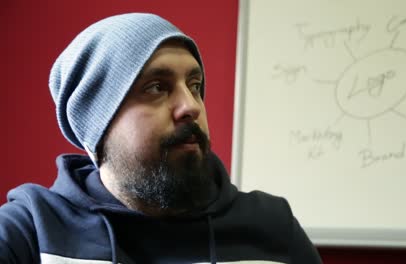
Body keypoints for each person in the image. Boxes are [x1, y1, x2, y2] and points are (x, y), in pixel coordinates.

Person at [0, 13, 322, 264]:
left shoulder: (272, 228)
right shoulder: (30, 232)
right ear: (99, 123)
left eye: (194, 85)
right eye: (157, 87)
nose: (191, 106)